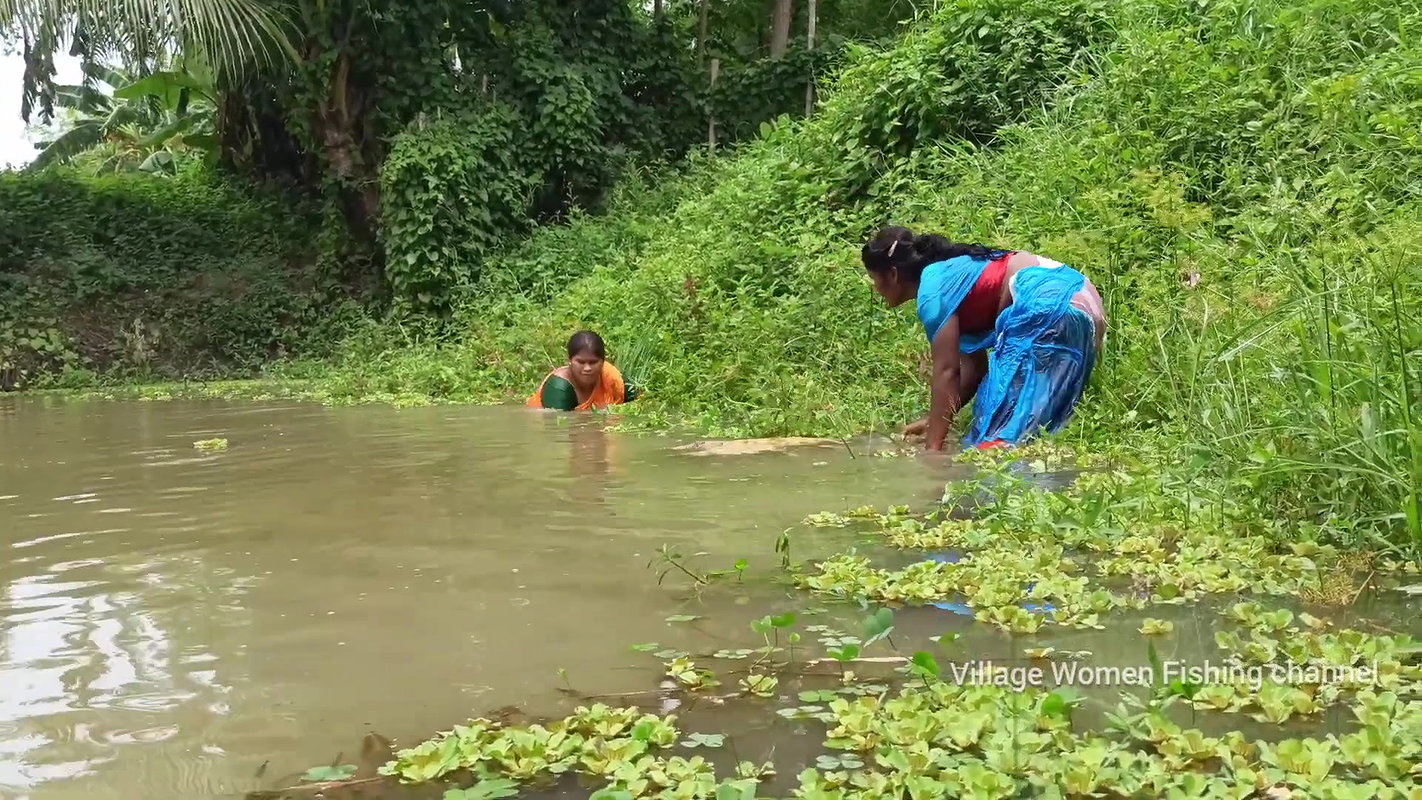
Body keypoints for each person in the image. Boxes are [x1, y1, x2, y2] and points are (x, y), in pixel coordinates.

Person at [860, 226, 1106, 451]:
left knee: (999, 438)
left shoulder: (931, 290)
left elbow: (947, 371)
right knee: (1035, 427)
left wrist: (932, 451)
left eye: (874, 278)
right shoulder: (952, 277)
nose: (873, 286)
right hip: (1084, 301)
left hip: (1049, 301)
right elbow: (973, 369)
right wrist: (933, 422)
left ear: (893, 274)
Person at [526, 330, 640, 411]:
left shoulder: (612, 379)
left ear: (603, 361)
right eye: (581, 362)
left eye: (593, 362)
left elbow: (641, 402)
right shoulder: (559, 387)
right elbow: (558, 428)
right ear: (570, 360)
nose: (587, 368)